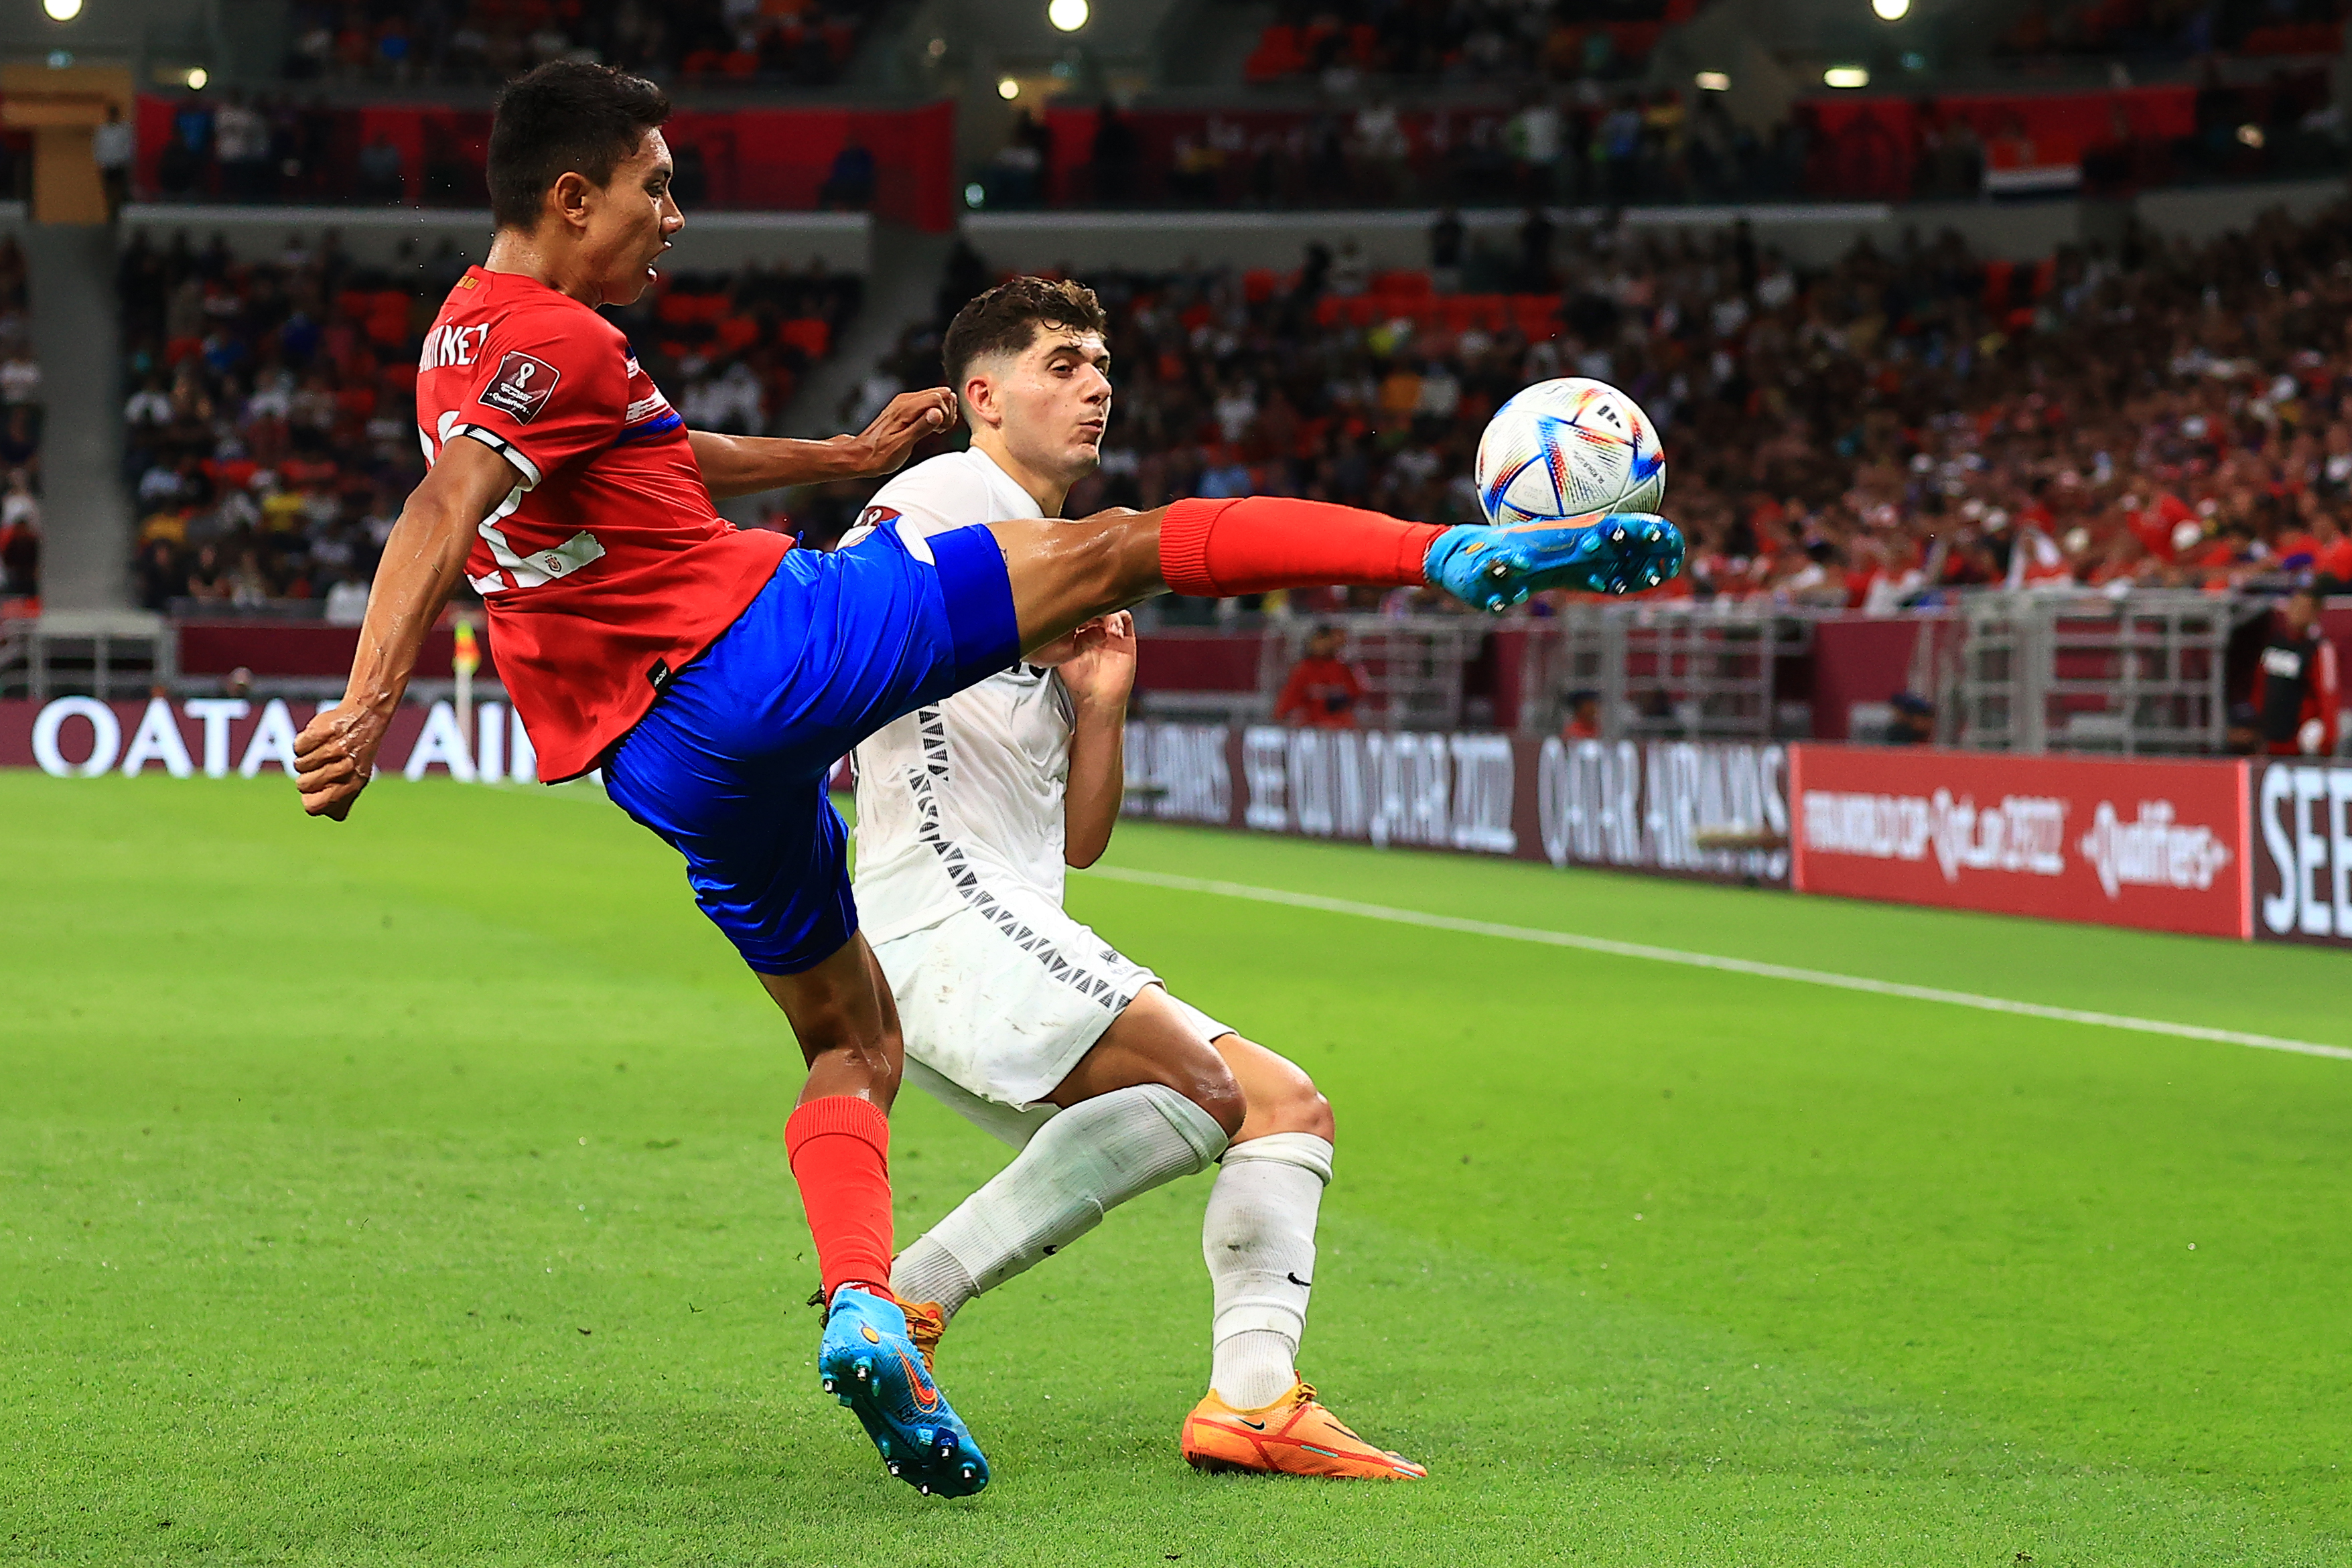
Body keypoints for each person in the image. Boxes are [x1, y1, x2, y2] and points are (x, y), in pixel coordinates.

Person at [291, 60, 1679, 1502]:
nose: (676, 215)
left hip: (654, 759)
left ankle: (868, 1302)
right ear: (574, 197)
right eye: (657, 185)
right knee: (1126, 546)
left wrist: (835, 453)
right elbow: (443, 504)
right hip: (752, 654)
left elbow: (642, 454)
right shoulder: (568, 339)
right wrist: (368, 702)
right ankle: (1444, 552)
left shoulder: (462, 341)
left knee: (851, 1042)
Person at [849, 283, 1422, 1478]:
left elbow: (1080, 840)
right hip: (944, 913)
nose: (1096, 385)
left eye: (1101, 363)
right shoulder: (943, 496)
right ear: (982, 396)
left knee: (1282, 1108)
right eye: (1061, 363)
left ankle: (1250, 1400)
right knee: (1217, 1089)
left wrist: (1100, 704)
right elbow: (848, 645)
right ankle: (905, 1299)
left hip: (1005, 920)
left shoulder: (1066, 564)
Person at [2250, 586, 2341, 756]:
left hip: (2301, 744)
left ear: (2315, 614)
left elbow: (2328, 695)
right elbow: (2261, 687)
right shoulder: (2274, 644)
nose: (2297, 613)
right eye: (2295, 606)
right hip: (2271, 740)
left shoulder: (2319, 649)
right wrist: (2258, 726)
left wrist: (2328, 741)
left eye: (2304, 609)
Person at [1273, 622, 1365, 728]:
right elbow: (1288, 701)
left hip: (1337, 724)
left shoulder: (1342, 668)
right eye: (1318, 640)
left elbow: (1354, 694)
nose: (1321, 645)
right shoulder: (1302, 669)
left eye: (1325, 640)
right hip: (1308, 725)